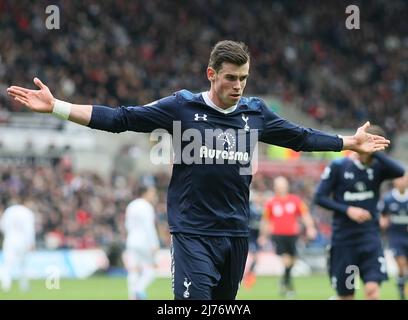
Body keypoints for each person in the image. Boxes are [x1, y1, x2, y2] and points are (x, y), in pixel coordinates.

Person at [7, 40, 391, 300]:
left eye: (243, 78)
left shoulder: (255, 113)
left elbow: (302, 138)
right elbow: (120, 118)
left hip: (236, 232)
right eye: (230, 78)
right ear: (211, 74)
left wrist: (348, 142)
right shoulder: (182, 108)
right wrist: (57, 106)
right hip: (192, 232)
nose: (238, 86)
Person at [314, 126, 405, 300]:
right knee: (347, 295)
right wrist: (347, 209)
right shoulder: (339, 166)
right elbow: (319, 197)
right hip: (345, 241)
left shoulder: (378, 167)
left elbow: (400, 171)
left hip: (369, 239)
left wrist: (375, 152)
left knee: (372, 291)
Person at [260, 176, 317, 298]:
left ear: (286, 186)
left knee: (293, 261)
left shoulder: (295, 200)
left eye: (282, 185)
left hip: (293, 235)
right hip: (278, 235)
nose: (280, 188)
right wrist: (263, 235)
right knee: (286, 260)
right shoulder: (271, 203)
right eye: (278, 185)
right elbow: (266, 221)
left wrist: (310, 228)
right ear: (275, 187)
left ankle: (284, 281)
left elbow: (305, 215)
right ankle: (289, 286)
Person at [123, 185, 160, 300]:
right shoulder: (146, 206)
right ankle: (138, 290)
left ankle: (132, 296)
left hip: (131, 240)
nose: (154, 196)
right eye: (152, 193)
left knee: (133, 269)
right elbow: (149, 226)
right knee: (151, 270)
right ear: (145, 193)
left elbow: (127, 225)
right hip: (144, 242)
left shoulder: (131, 205)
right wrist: (155, 243)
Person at [379, 174, 408, 300]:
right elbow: (382, 216)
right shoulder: (388, 199)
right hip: (396, 238)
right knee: (402, 267)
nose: (402, 182)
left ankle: (401, 284)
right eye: (399, 179)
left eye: (404, 179)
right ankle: (402, 292)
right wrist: (383, 223)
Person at [0, 197, 36, 292]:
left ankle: (6, 285)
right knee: (23, 264)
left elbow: (2, 226)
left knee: (7, 263)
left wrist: (9, 234)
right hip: (23, 241)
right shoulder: (27, 212)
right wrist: (31, 242)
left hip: (10, 240)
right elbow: (30, 230)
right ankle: (24, 286)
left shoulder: (9, 211)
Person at [242, 190, 264, 289]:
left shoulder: (261, 209)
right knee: (252, 258)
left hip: (256, 237)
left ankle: (248, 275)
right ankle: (246, 276)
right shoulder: (250, 208)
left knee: (255, 259)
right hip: (249, 236)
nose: (260, 199)